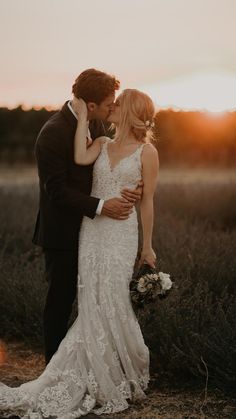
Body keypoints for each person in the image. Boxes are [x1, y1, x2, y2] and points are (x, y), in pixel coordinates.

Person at [0, 88, 159, 417]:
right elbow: (79, 159)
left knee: (114, 298)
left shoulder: (148, 153)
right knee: (91, 301)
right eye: (109, 103)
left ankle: (117, 371)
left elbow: (148, 202)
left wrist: (147, 245)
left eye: (119, 103)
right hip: (93, 230)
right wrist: (84, 118)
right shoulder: (100, 141)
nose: (113, 106)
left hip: (122, 233)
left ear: (129, 112)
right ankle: (82, 371)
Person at [32, 68, 141, 363]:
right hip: (63, 233)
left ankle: (92, 364)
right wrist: (101, 206)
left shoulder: (96, 124)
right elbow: (56, 191)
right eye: (109, 104)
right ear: (91, 105)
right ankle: (53, 369)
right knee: (61, 302)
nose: (112, 108)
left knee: (96, 301)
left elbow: (104, 168)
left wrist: (133, 185)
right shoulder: (52, 133)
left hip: (97, 233)